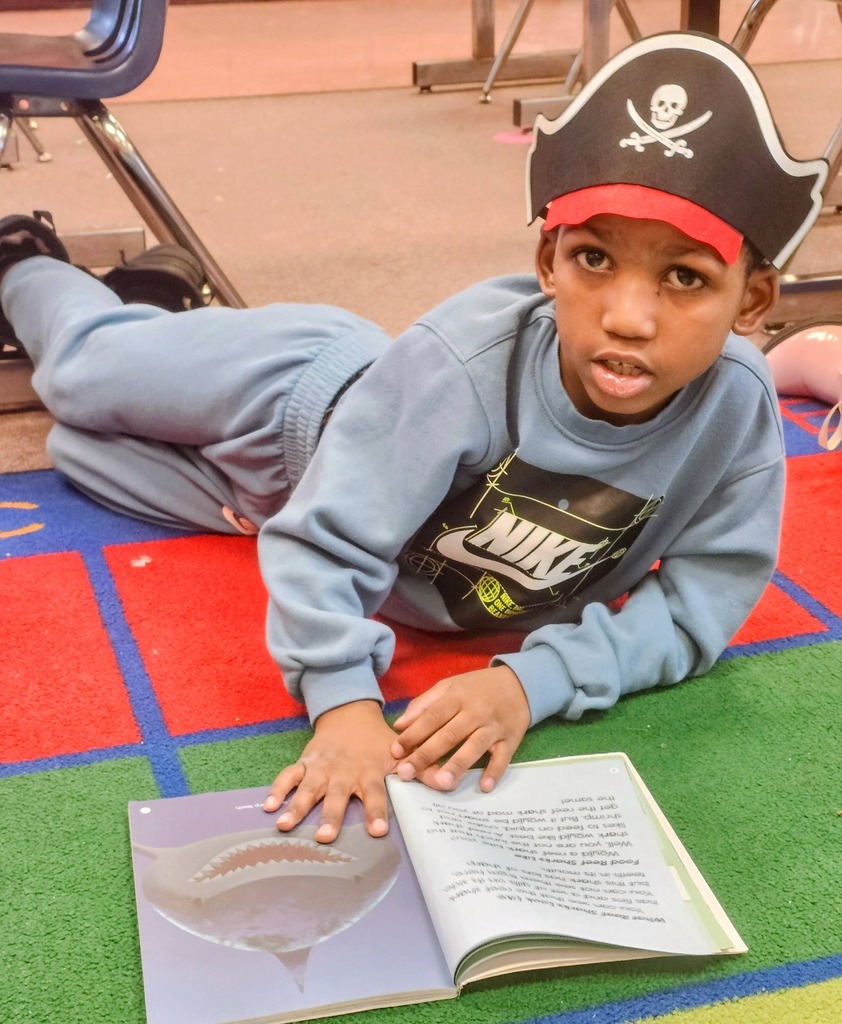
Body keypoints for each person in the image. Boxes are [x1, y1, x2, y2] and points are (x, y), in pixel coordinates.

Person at [0, 32, 828, 844]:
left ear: (753, 303)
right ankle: (27, 263)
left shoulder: (736, 409)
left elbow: (698, 604)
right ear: (547, 262)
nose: (627, 317)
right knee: (74, 373)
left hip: (274, 500)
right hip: (293, 398)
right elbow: (327, 547)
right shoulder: (460, 358)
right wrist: (345, 700)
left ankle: (150, 295)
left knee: (78, 451)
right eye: (593, 259)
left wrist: (531, 685)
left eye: (686, 278)